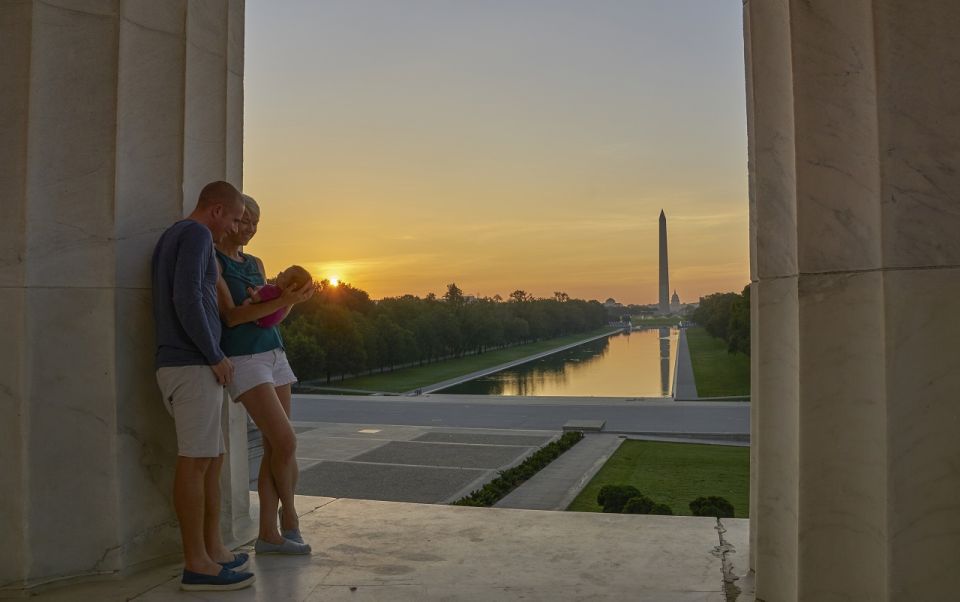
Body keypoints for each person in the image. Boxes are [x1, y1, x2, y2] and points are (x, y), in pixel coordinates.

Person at [151, 181, 256, 591]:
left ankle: (212, 552)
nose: (232, 229)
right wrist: (214, 353)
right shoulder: (194, 233)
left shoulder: (181, 236)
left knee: (210, 460)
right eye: (232, 219)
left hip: (193, 363)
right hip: (190, 363)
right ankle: (197, 563)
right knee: (196, 461)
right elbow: (188, 298)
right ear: (215, 210)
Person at [214, 194, 314, 555]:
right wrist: (284, 300)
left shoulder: (255, 263)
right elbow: (232, 317)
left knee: (277, 447)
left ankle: (268, 535)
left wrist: (291, 299)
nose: (249, 228)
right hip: (244, 357)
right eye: (244, 220)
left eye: (255, 222)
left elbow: (270, 316)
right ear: (227, 218)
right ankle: (290, 519)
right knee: (286, 442)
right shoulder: (214, 261)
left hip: (274, 352)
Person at [248, 265, 313, 328]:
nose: (280, 273)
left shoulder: (271, 290)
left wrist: (252, 291)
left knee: (246, 302)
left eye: (284, 275)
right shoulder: (286, 302)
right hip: (269, 324)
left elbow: (256, 299)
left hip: (260, 319)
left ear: (283, 284)